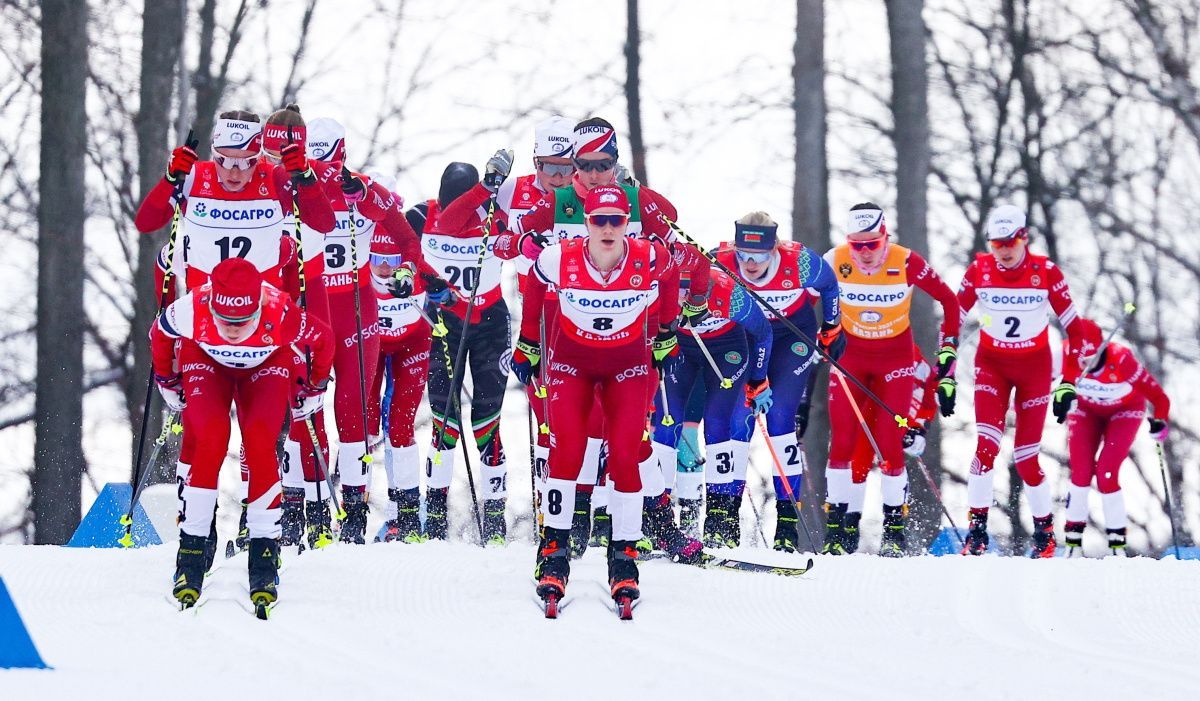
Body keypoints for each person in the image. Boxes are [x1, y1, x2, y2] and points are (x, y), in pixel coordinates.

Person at [482, 118, 711, 556]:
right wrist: (526, 245)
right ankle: (578, 521)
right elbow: (502, 243)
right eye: (582, 165)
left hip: (632, 336)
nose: (590, 176)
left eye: (602, 165)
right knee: (579, 431)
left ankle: (659, 523)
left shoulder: (633, 202)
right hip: (565, 334)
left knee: (631, 434)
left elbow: (681, 244)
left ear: (616, 164)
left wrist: (681, 306)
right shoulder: (561, 202)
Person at [136, 109, 335, 560]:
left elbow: (322, 222)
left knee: (260, 435)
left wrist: (301, 172)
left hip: (256, 321)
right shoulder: (196, 176)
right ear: (213, 154)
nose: (234, 171)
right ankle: (197, 526)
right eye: (226, 160)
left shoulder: (275, 178)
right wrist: (171, 178)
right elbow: (146, 222)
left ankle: (256, 520)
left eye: (246, 161)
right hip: (203, 322)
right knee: (201, 434)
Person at [513, 185, 680, 606]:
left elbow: (674, 270)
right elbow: (533, 286)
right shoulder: (559, 257)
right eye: (598, 220)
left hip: (629, 365)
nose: (607, 229)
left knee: (626, 453)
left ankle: (624, 557)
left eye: (616, 221)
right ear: (586, 222)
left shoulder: (648, 256)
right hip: (573, 363)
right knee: (566, 448)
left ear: (627, 223)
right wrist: (528, 342)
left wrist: (666, 331)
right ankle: (554, 550)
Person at [151, 258, 333, 609]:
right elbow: (158, 334)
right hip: (207, 363)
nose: (233, 329)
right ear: (211, 307)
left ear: (259, 308)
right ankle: (191, 552)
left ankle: (265, 554)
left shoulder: (280, 310)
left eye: (242, 321)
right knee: (210, 440)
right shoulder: (191, 308)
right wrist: (166, 378)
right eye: (225, 321)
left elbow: (324, 341)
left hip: (265, 365)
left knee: (260, 442)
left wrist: (314, 387)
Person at [822, 203, 960, 557]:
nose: (865, 253)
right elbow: (806, 296)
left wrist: (949, 353)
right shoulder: (834, 260)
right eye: (857, 244)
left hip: (895, 361)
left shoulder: (906, 261)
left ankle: (894, 532)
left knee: (889, 444)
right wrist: (823, 331)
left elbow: (949, 300)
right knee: (843, 442)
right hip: (851, 358)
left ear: (886, 237)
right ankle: (838, 531)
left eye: (872, 244)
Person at [957, 204, 1083, 557]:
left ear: (1024, 237)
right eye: (996, 244)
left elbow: (1076, 330)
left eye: (1010, 242)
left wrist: (1069, 380)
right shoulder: (979, 270)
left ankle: (1044, 536)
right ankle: (977, 531)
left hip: (1035, 370)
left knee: (1027, 458)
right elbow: (952, 319)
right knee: (985, 447)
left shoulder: (1045, 271)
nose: (1004, 251)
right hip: (992, 366)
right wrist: (947, 370)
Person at [711, 212, 842, 551]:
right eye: (743, 255)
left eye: (758, 256)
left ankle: (786, 522)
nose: (750, 264)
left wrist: (832, 326)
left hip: (791, 337)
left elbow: (829, 285)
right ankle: (724, 515)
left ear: (775, 249)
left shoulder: (800, 263)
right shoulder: (719, 260)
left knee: (780, 417)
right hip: (745, 338)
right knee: (738, 420)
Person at [405, 156, 515, 544]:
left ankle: (496, 518)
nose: (463, 218)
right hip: (444, 325)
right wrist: (420, 282)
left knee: (488, 423)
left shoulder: (494, 217)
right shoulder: (420, 216)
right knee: (444, 421)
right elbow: (398, 257)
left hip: (489, 324)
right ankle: (434, 518)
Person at [650, 265, 773, 549]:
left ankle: (718, 520)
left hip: (726, 349)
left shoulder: (730, 294)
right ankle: (658, 517)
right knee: (667, 424)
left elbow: (763, 333)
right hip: (680, 346)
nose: (682, 300)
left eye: (691, 294)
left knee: (718, 423)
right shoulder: (657, 286)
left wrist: (758, 379)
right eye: (677, 292)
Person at [366, 227, 448, 542]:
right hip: (371, 344)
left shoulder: (416, 270)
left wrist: (444, 295)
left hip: (411, 346)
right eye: (377, 258)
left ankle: (406, 515)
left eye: (392, 259)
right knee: (364, 427)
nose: (385, 268)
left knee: (400, 426)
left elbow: (449, 293)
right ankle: (354, 508)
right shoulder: (360, 269)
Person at [1065, 318, 1170, 556]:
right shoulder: (1064, 354)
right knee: (1080, 472)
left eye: (1090, 358)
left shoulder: (1121, 359)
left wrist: (1160, 422)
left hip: (1124, 411)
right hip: (1087, 412)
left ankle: (1116, 545)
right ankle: (1072, 543)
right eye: (1079, 359)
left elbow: (1160, 398)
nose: (1084, 365)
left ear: (1101, 349)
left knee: (1106, 471)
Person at [842, 342, 940, 553]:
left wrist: (917, 429)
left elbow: (928, 401)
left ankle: (893, 532)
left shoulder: (919, 365)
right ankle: (847, 530)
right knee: (856, 466)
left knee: (892, 465)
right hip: (866, 416)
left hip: (896, 420)